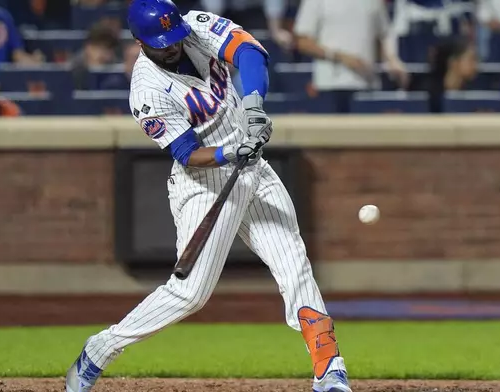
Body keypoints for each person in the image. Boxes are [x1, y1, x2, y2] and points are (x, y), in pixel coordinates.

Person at [64, 1, 352, 392]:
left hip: (254, 171)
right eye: (162, 43)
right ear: (139, 41)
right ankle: (99, 350)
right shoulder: (146, 90)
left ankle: (329, 370)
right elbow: (186, 153)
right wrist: (229, 153)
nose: (172, 47)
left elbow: (249, 52)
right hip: (205, 184)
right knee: (190, 293)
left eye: (174, 38)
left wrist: (253, 109)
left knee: (295, 265)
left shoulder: (194, 26)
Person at [293, 0, 409, 113]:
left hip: (367, 85)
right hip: (330, 86)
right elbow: (303, 42)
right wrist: (341, 57)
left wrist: (392, 60)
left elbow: (384, 34)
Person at [427, 37, 478, 113]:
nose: (475, 65)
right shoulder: (430, 95)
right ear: (453, 62)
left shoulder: (473, 93)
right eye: (471, 59)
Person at [71, 22, 120, 90]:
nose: (105, 54)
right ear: (88, 47)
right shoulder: (73, 69)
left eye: (109, 48)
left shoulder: (116, 71)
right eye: (101, 47)